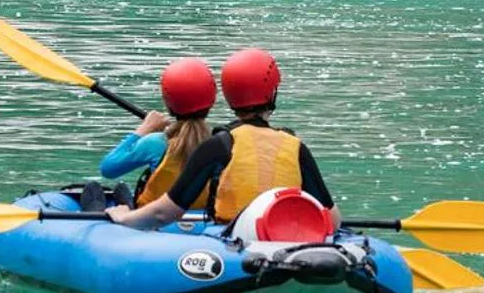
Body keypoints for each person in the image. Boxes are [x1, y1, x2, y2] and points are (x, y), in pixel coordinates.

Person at [107, 48, 338, 231]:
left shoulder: (219, 145)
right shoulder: (295, 146)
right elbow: (333, 219)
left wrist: (125, 218)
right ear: (272, 92)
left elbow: (163, 213)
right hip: (283, 238)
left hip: (230, 243)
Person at [97, 57, 216, 205]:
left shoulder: (155, 142)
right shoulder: (222, 142)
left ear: (168, 104)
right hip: (206, 219)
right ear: (212, 100)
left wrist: (143, 129)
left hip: (156, 218)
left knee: (96, 189)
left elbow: (108, 169)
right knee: (121, 189)